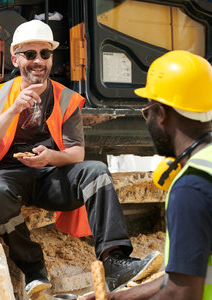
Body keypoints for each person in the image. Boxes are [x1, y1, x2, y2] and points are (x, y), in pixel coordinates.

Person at [0, 19, 162, 296]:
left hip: (51, 176)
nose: (38, 61)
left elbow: (76, 153)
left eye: (45, 54)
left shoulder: (66, 98)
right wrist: (12, 111)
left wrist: (49, 157)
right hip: (8, 174)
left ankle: (114, 261)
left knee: (95, 170)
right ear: (15, 58)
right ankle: (33, 270)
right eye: (30, 54)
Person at [82, 50, 212, 300]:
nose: (147, 120)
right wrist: (116, 298)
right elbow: (184, 272)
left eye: (147, 112)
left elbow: (180, 293)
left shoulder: (191, 186)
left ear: (161, 114)